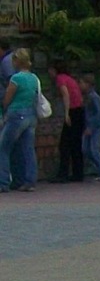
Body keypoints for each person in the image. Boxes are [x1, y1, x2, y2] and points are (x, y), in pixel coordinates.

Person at [0, 45, 41, 192]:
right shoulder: (33, 78)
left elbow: (7, 99)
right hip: (31, 114)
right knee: (28, 149)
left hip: (16, 114)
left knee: (3, 147)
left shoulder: (16, 78)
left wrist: (4, 109)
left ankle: (3, 182)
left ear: (18, 61)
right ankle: (29, 181)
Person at [52, 63, 86, 183]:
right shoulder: (70, 79)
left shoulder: (60, 78)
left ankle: (63, 173)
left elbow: (65, 94)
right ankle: (78, 173)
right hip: (79, 110)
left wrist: (66, 113)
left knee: (64, 144)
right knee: (76, 143)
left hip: (73, 110)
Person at [80, 73, 100, 179]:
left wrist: (91, 127)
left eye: (82, 83)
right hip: (89, 125)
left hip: (96, 126)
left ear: (88, 84)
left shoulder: (94, 97)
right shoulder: (87, 96)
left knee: (94, 149)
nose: (80, 85)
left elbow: (98, 113)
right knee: (85, 149)